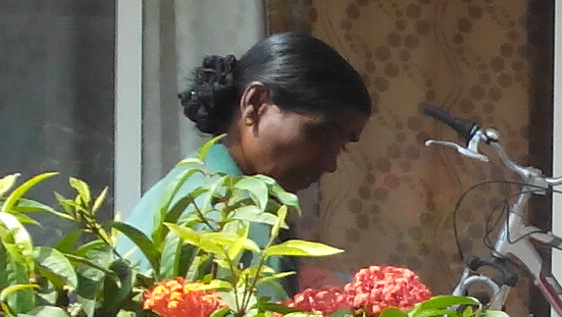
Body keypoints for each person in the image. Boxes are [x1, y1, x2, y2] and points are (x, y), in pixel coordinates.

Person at [119, 33, 373, 245]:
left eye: (341, 147)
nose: (330, 164)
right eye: (324, 134)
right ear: (255, 103)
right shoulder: (225, 218)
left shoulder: (189, 185)